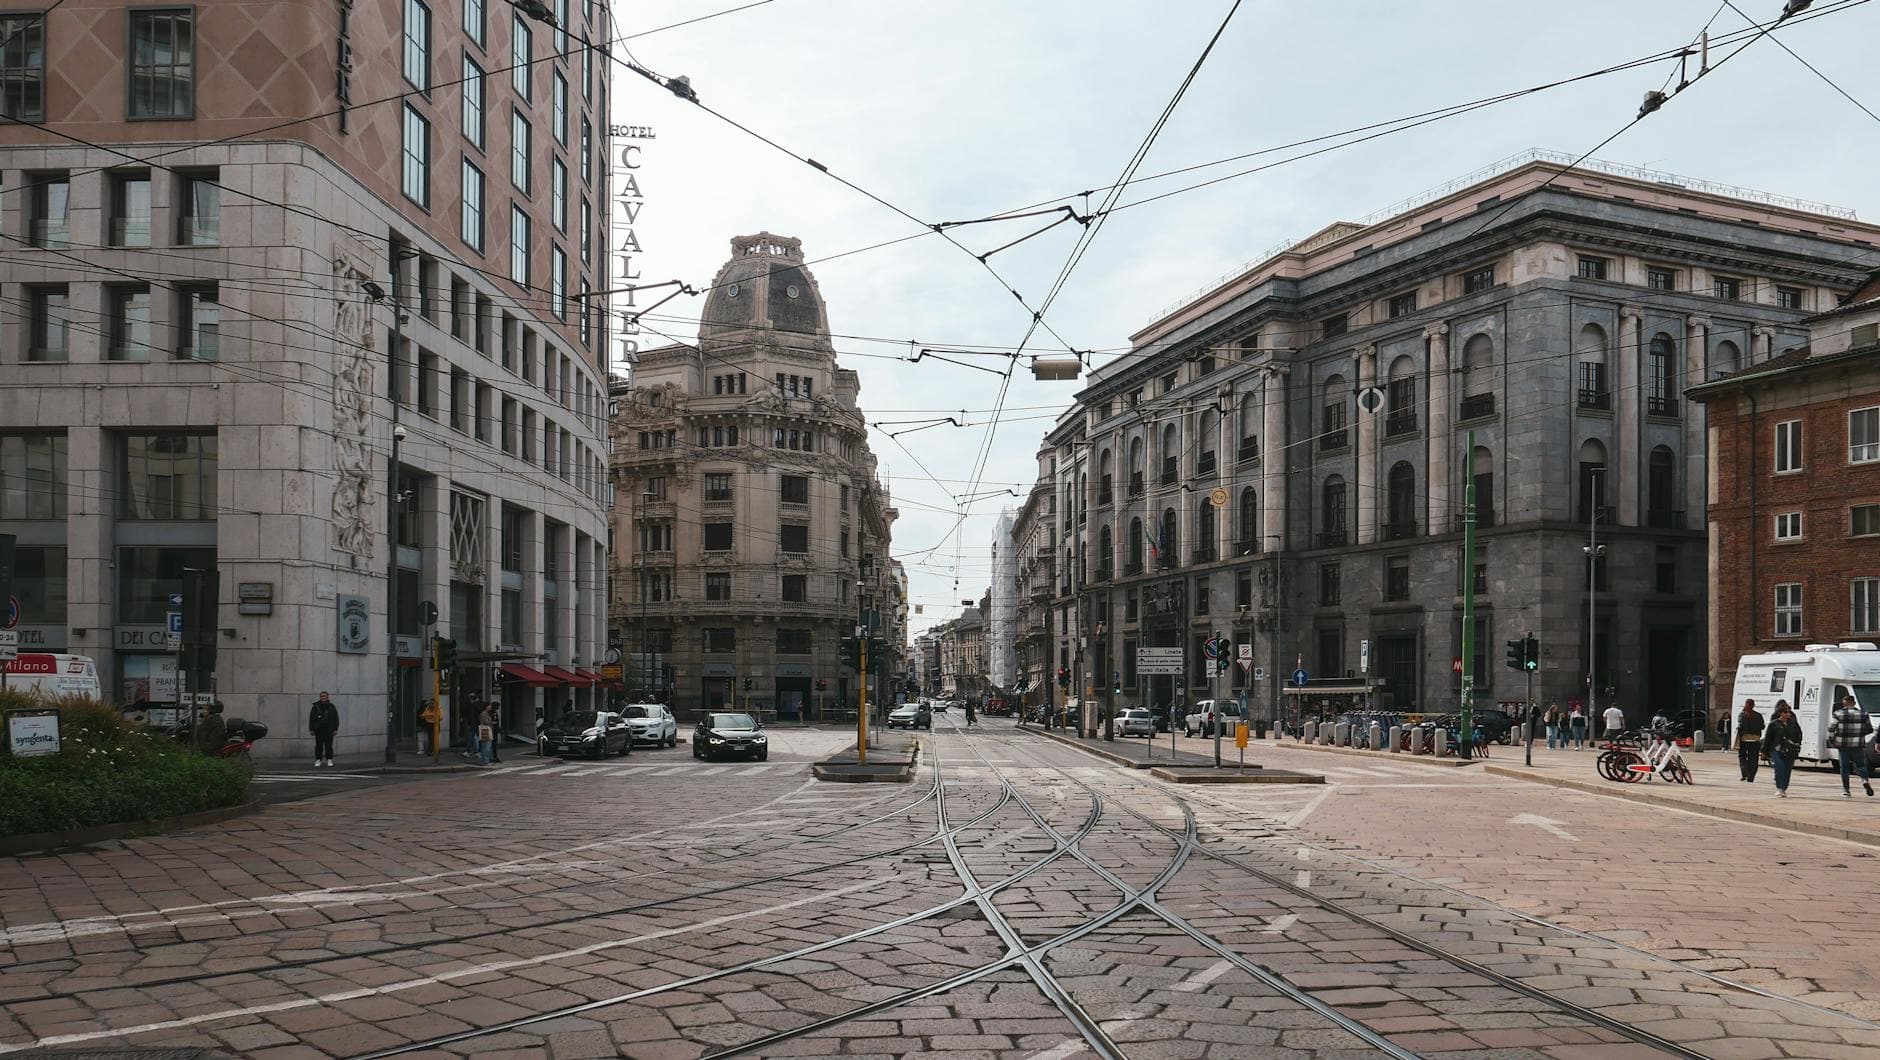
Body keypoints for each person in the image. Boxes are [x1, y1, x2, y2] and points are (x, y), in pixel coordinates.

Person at [1829, 692, 1874, 798]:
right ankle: (1864, 780)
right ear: (1854, 703)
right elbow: (1870, 729)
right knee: (1861, 765)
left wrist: (1832, 740)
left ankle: (1846, 790)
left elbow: (1831, 728)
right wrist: (1859, 734)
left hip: (1842, 744)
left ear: (1845, 703)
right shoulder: (1863, 714)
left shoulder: (1838, 714)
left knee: (1844, 767)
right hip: (1857, 744)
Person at [1766, 700, 1803, 798]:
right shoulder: (1774, 724)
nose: (1788, 714)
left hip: (1790, 749)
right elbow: (1768, 737)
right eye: (1785, 712)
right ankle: (1779, 788)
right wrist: (1764, 751)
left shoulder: (1793, 724)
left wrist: (1797, 743)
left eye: (1789, 712)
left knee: (1787, 769)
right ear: (1780, 713)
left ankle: (1784, 788)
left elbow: (1799, 734)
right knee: (1780, 767)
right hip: (1776, 749)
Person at [1735, 698, 1765, 783]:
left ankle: (1744, 773)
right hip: (1756, 739)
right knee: (1754, 758)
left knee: (1742, 757)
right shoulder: (1758, 715)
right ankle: (1751, 776)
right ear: (1753, 705)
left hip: (1744, 739)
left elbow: (1740, 725)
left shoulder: (1742, 714)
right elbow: (1762, 726)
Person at [308, 691, 339, 767]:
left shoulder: (331, 706)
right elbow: (311, 718)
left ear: (327, 697)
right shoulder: (315, 707)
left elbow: (336, 718)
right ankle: (318, 759)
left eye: (324, 696)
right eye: (322, 696)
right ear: (320, 697)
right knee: (319, 745)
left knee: (329, 745)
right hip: (319, 729)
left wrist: (335, 729)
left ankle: (329, 759)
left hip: (329, 729)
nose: (323, 697)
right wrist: (311, 729)